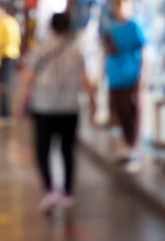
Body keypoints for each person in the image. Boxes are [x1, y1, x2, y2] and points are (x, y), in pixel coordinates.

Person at [15, 12, 95, 213]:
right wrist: (93, 103)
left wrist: (20, 102)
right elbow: (85, 79)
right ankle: (67, 191)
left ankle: (49, 189)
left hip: (44, 107)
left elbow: (28, 78)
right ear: (68, 27)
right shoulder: (75, 51)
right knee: (67, 150)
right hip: (70, 108)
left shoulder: (39, 50)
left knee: (43, 149)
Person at [104, 0, 146, 169]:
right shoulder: (110, 28)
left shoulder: (134, 26)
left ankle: (132, 145)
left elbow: (144, 48)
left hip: (131, 73)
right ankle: (124, 146)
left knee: (132, 110)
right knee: (119, 111)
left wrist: (144, 72)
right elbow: (107, 48)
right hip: (115, 76)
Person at [0, 2, 21, 126]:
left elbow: (9, 41)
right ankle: (2, 112)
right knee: (1, 85)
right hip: (0, 56)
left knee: (4, 85)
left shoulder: (9, 22)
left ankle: (5, 113)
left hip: (8, 56)